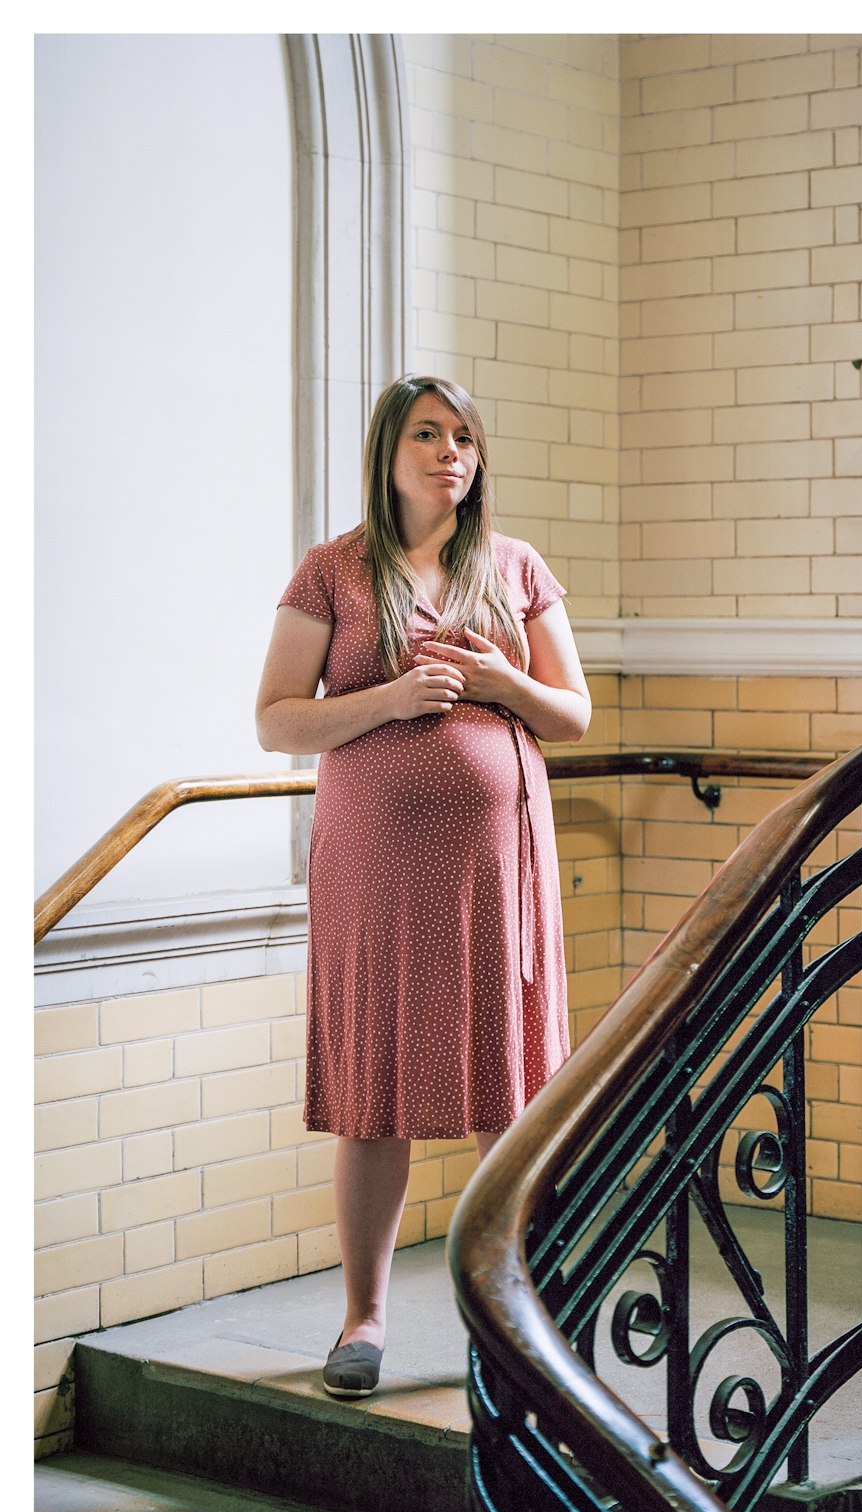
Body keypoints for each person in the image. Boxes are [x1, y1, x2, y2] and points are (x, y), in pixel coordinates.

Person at [256, 375, 590, 1397]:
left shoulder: (517, 567)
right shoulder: (332, 573)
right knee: (375, 1097)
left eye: (465, 438)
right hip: (376, 871)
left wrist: (502, 687)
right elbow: (276, 720)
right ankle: (364, 1320)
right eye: (428, 435)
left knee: (510, 1093)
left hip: (499, 872)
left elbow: (572, 713)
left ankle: (519, 1314)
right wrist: (394, 697)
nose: (451, 453)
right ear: (388, 453)